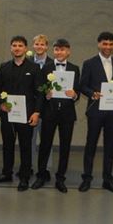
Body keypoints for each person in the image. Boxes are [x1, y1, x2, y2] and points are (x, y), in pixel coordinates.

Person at [0, 36, 43, 191]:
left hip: (26, 114)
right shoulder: (4, 66)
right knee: (7, 144)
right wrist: (1, 104)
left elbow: (40, 93)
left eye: (20, 45)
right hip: (8, 113)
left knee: (25, 146)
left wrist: (37, 112)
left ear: (26, 48)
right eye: (14, 45)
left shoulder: (34, 68)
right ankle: (6, 173)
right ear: (11, 48)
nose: (17, 48)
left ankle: (25, 177)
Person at [78, 32, 113, 194]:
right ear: (99, 44)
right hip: (95, 111)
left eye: (111, 44)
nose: (108, 47)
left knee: (110, 146)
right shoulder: (89, 63)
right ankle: (86, 178)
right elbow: (82, 86)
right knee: (91, 144)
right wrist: (93, 93)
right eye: (105, 44)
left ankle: (108, 179)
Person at [31, 38, 80, 193]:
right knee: (45, 145)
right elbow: (40, 90)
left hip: (67, 114)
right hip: (49, 113)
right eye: (57, 49)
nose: (60, 52)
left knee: (65, 147)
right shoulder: (46, 67)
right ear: (53, 51)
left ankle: (60, 178)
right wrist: (46, 94)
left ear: (68, 51)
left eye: (63, 49)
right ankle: (41, 175)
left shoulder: (75, 68)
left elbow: (77, 91)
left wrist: (74, 95)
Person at [29, 34, 54, 179]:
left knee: (46, 139)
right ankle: (30, 166)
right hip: (31, 107)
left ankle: (46, 168)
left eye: (42, 44)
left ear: (46, 47)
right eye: (37, 44)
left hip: (48, 108)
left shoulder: (53, 64)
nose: (39, 46)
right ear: (33, 46)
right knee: (30, 139)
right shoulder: (27, 62)